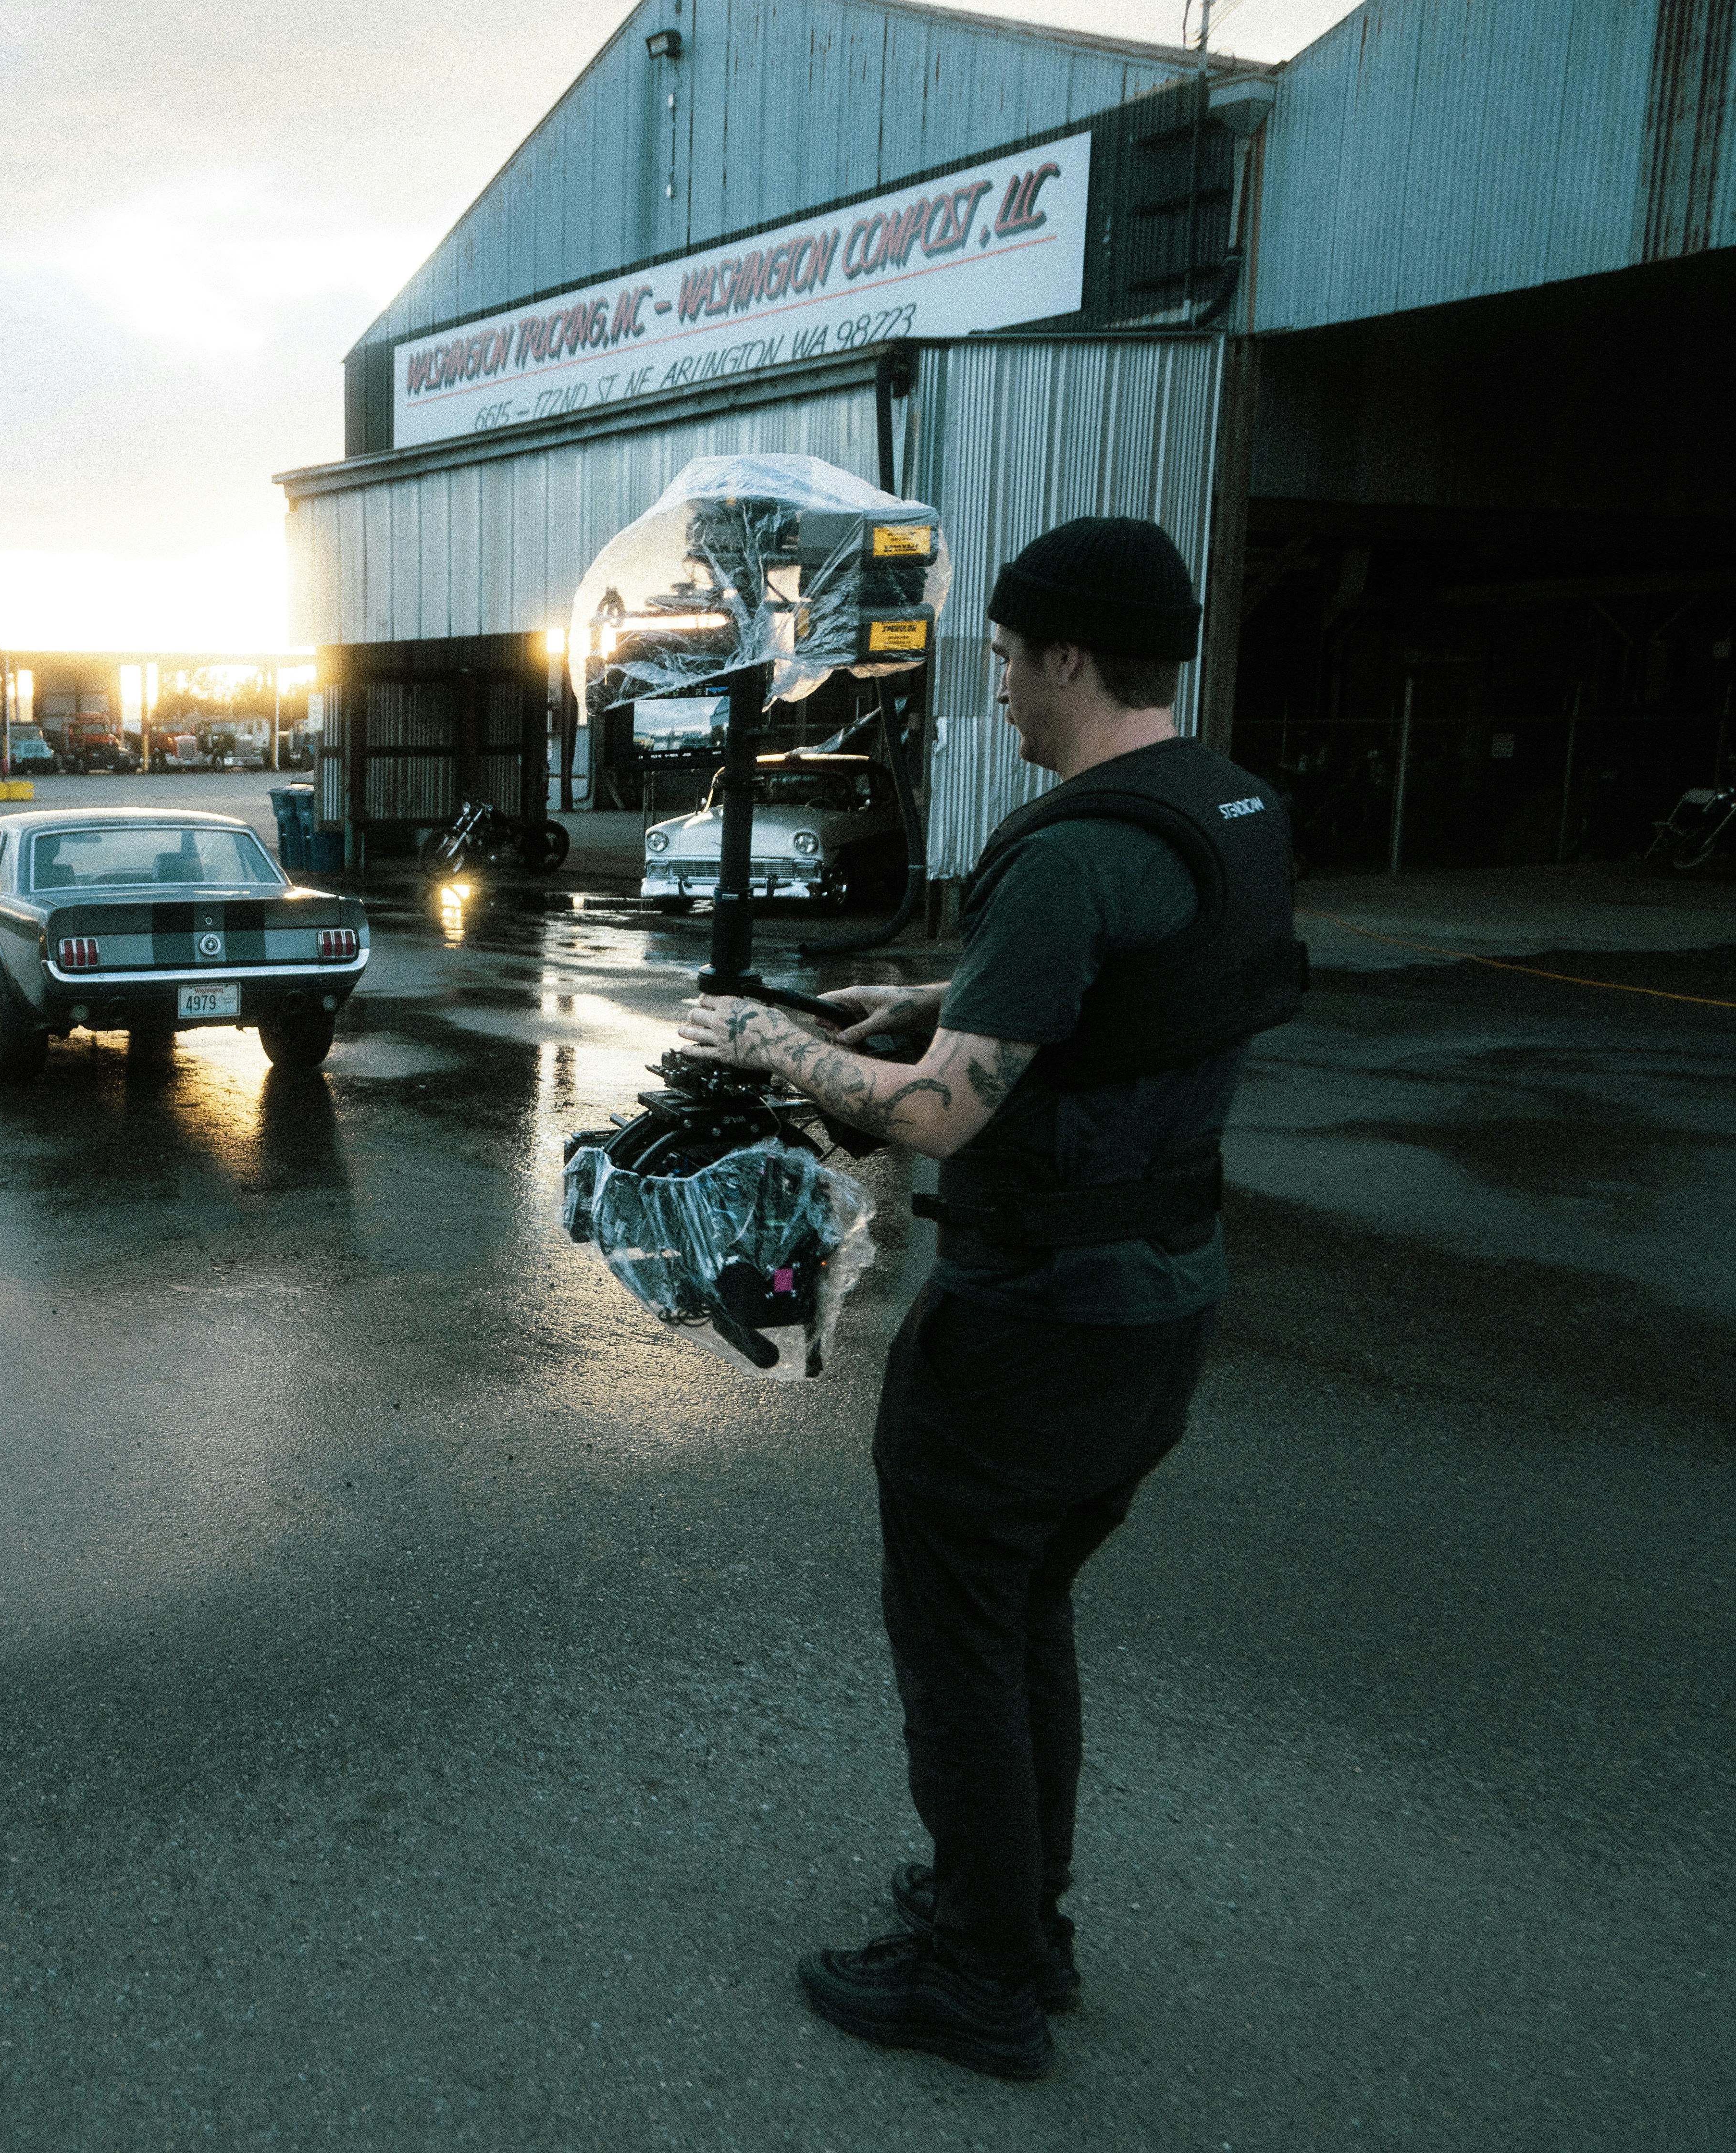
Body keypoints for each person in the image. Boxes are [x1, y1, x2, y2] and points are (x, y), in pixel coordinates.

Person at [671, 516, 1305, 2081]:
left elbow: (941, 1115)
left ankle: (979, 1980)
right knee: (1025, 1616)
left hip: (1034, 1324)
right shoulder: (1229, 810)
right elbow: (1135, 983)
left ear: (1071, 655)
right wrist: (938, 997)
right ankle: (1019, 1919)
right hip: (1162, 1305)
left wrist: (766, 1040)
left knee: (963, 1642)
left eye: (1012, 657)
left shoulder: (1069, 849)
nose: (999, 686)